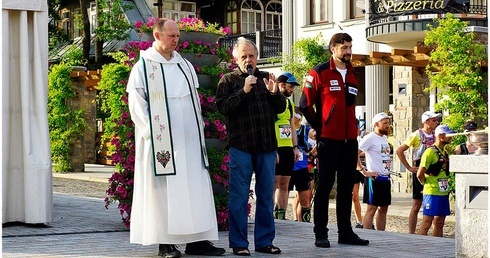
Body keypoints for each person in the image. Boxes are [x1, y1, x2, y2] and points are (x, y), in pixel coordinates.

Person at [126, 18, 225, 258]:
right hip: (163, 143)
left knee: (194, 188)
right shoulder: (144, 66)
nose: (176, 40)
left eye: (178, 36)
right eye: (171, 36)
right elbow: (137, 104)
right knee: (165, 191)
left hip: (189, 142)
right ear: (157, 36)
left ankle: (197, 240)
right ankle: (165, 243)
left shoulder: (184, 65)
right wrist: (152, 133)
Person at [216, 37, 286, 256]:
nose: (249, 60)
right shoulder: (228, 80)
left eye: (252, 56)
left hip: (266, 146)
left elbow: (281, 108)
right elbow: (224, 108)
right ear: (236, 58)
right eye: (244, 56)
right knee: (239, 196)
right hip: (241, 146)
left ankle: (265, 241)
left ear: (257, 58)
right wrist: (244, 90)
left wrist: (275, 93)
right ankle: (239, 243)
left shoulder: (266, 78)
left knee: (266, 195)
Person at [299, 32, 369, 248]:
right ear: (333, 49)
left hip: (350, 140)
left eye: (350, 47)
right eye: (343, 48)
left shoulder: (352, 72)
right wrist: (320, 127)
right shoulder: (319, 72)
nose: (348, 51)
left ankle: (345, 232)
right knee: (325, 185)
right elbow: (304, 104)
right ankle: (321, 233)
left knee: (347, 187)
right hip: (328, 140)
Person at [396, 110, 440, 234]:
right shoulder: (416, 135)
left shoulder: (437, 134)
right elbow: (400, 150)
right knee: (417, 204)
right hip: (421, 169)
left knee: (434, 202)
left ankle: (434, 230)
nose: (436, 122)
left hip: (435, 171)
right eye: (434, 120)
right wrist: (409, 167)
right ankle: (411, 232)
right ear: (426, 122)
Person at [416, 124, 454, 237]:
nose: (450, 138)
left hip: (443, 191)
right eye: (448, 135)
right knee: (427, 222)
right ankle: (419, 246)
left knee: (440, 222)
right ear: (441, 136)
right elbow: (420, 173)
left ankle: (437, 245)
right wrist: (427, 184)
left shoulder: (444, 152)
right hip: (432, 192)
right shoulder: (430, 152)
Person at [357, 113, 392, 231]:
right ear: (376, 124)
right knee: (371, 208)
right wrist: (363, 171)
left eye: (388, 123)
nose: (388, 125)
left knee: (384, 208)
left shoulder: (384, 138)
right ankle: (368, 234)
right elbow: (355, 153)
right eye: (385, 123)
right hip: (374, 179)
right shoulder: (370, 138)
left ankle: (381, 234)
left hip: (385, 178)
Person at [273, 72, 301, 220]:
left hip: (287, 147)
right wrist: (272, 148)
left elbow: (292, 127)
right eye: (290, 87)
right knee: (273, 184)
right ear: (281, 85)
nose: (292, 90)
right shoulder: (272, 100)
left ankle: (281, 215)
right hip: (275, 147)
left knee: (285, 184)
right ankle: (268, 215)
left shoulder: (290, 103)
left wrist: (295, 147)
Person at [289, 108, 314, 222]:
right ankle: (281, 219)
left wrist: (311, 153)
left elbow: (320, 140)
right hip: (288, 166)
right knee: (284, 192)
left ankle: (305, 222)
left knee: (305, 198)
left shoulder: (305, 129)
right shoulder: (285, 128)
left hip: (302, 167)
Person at [353, 119, 366, 228]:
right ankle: (360, 221)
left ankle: (369, 221)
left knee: (369, 197)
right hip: (354, 169)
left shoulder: (365, 136)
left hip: (366, 167)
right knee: (354, 196)